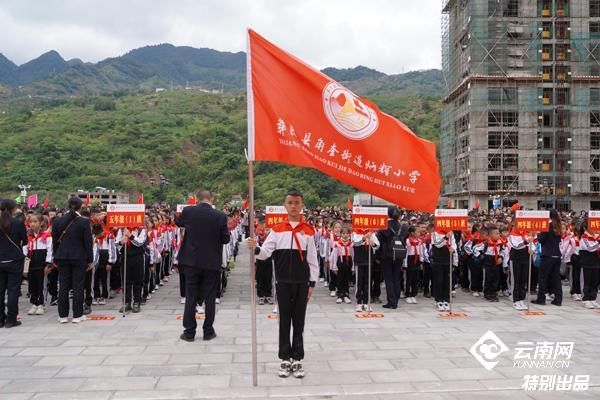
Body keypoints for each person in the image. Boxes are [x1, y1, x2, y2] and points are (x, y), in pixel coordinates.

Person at [247, 189, 319, 379]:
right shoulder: (277, 230)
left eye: (297, 203)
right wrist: (255, 248)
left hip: (302, 282)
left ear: (302, 205)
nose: (294, 206)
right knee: (284, 320)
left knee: (299, 321)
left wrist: (312, 283)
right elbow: (265, 253)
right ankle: (285, 357)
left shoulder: (309, 231)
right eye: (290, 203)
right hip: (283, 282)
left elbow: (312, 260)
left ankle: (298, 358)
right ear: (285, 206)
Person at [177, 190, 230, 342]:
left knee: (191, 296)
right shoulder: (220, 215)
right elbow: (225, 239)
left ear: (197, 199)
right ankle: (208, 331)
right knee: (210, 298)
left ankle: (189, 332)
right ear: (211, 199)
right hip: (211, 262)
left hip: (191, 261)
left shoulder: (188, 211)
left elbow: (178, 222)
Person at [52, 196, 94, 323]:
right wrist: (90, 259)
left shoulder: (58, 221)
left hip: (62, 256)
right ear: (80, 207)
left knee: (63, 287)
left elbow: (55, 241)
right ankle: (77, 315)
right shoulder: (84, 221)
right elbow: (88, 242)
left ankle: (63, 316)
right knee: (78, 286)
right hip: (79, 257)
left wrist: (56, 256)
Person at [0, 199, 27, 328]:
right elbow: (25, 241)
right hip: (14, 261)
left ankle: (0, 319)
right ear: (13, 209)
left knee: (0, 291)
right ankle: (11, 319)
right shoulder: (18, 223)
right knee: (13, 290)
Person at [376, 206, 408, 309]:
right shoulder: (403, 227)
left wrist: (377, 256)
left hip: (386, 255)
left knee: (388, 278)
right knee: (396, 277)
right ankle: (396, 300)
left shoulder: (384, 226)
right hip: (399, 254)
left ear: (387, 214)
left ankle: (391, 301)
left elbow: (378, 243)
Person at [532, 209, 563, 306]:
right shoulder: (558, 225)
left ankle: (541, 299)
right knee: (556, 278)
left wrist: (537, 234)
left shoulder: (546, 226)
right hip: (557, 255)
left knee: (543, 278)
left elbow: (541, 240)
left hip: (547, 255)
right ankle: (558, 300)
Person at [25, 213, 53, 315]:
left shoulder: (46, 235)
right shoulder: (28, 235)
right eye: (30, 222)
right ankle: (34, 304)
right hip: (31, 262)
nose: (32, 224)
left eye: (35, 222)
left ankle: (41, 304)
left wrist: (48, 263)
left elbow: (50, 250)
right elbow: (25, 250)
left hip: (42, 262)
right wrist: (25, 266)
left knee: (42, 284)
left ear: (41, 223)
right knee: (32, 284)